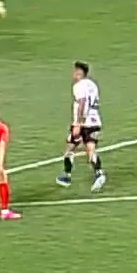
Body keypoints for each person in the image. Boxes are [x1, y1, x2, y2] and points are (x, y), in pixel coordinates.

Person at [59, 61, 107, 191]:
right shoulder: (93, 85)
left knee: (70, 147)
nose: (73, 74)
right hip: (95, 120)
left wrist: (78, 124)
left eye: (75, 71)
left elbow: (82, 102)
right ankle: (99, 173)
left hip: (83, 122)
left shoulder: (78, 86)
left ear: (79, 72)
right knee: (91, 148)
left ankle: (67, 176)